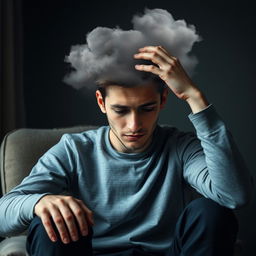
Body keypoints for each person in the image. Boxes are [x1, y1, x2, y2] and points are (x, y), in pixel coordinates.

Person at [0, 46, 253, 256]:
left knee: (211, 211)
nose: (134, 125)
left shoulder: (179, 146)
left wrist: (194, 97)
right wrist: (39, 201)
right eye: (121, 110)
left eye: (146, 108)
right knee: (49, 220)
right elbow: (3, 214)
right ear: (102, 103)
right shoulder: (75, 150)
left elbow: (234, 196)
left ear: (163, 101)